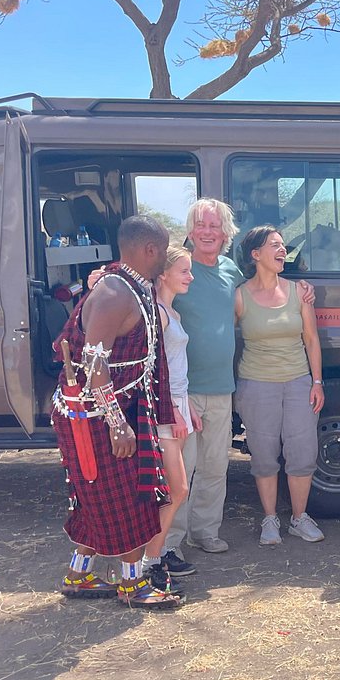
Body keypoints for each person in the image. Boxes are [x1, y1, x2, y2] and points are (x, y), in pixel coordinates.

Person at [169, 199, 314, 556]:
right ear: (190, 231)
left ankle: (204, 532)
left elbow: (262, 289)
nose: (207, 232)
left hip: (221, 387)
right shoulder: (176, 267)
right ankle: (170, 544)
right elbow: (140, 275)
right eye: (201, 225)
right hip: (182, 389)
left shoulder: (231, 272)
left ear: (225, 234)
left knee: (215, 467)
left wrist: (303, 286)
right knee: (180, 471)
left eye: (214, 226)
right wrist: (102, 274)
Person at [52, 214, 180, 609]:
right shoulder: (115, 293)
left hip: (118, 406)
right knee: (127, 498)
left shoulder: (132, 286)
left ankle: (79, 574)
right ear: (150, 250)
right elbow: (93, 363)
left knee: (97, 496)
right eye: (163, 250)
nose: (165, 258)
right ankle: (132, 584)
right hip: (95, 416)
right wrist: (117, 424)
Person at [233, 226, 326, 546]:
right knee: (264, 455)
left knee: (303, 453)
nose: (282, 250)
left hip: (299, 382)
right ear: (256, 254)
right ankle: (269, 520)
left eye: (283, 245)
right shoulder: (240, 295)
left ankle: (299, 519)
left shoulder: (300, 291)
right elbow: (222, 338)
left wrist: (317, 382)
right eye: (274, 245)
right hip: (257, 385)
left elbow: (311, 340)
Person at [141, 245, 199, 591]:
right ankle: (150, 562)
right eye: (184, 271)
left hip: (177, 403)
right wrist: (174, 409)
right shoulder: (159, 314)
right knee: (176, 488)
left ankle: (156, 557)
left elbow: (177, 369)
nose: (190, 277)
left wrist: (187, 404)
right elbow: (155, 369)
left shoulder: (171, 312)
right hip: (164, 410)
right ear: (163, 273)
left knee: (173, 489)